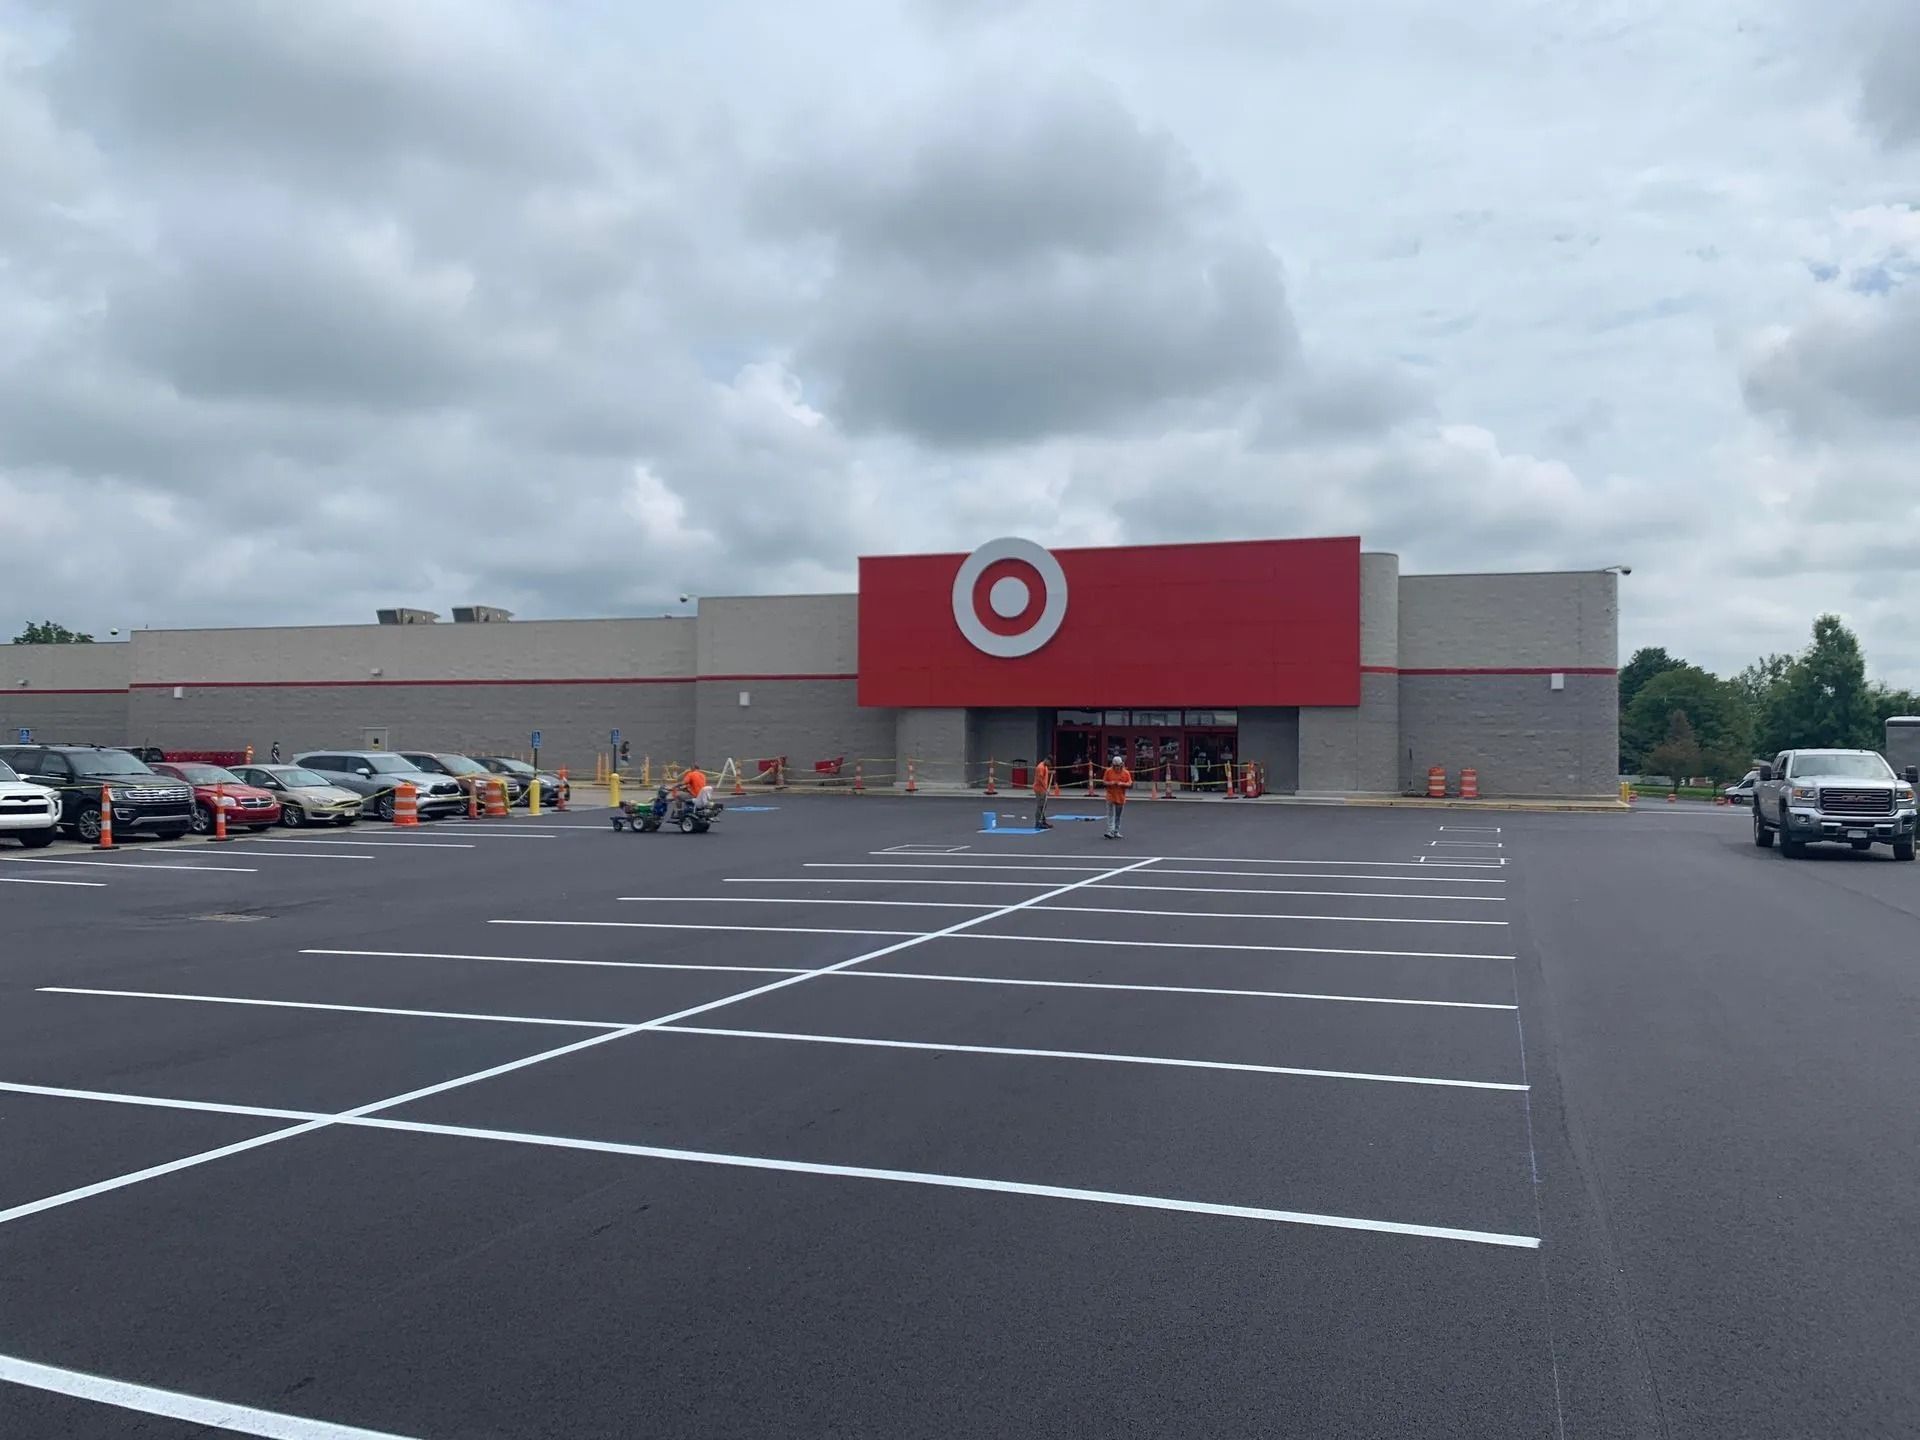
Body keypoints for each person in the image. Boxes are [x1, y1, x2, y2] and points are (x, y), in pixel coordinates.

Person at [1102, 751, 1133, 839]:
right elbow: (1104, 782)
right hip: (1110, 795)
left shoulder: (1126, 773)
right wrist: (1110, 783)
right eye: (1115, 766)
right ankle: (1110, 831)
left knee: (1118, 816)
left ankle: (1116, 831)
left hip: (1120, 796)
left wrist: (1122, 784)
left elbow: (1130, 783)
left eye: (1118, 766)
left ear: (1121, 764)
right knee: (1110, 814)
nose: (1116, 768)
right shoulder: (1108, 771)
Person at [1032, 756, 1052, 829]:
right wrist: (1046, 789)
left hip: (1043, 789)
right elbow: (1040, 779)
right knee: (1040, 806)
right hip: (1039, 789)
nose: (1049, 765)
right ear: (1046, 760)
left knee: (1043, 806)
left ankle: (1043, 821)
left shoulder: (1045, 767)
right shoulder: (1040, 767)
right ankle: (1038, 822)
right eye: (1049, 763)